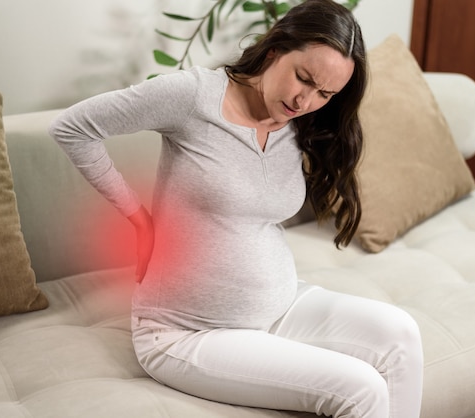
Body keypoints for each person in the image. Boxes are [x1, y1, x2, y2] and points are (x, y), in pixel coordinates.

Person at [49, 0, 424, 416]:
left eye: (325, 94)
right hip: (186, 332)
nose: (306, 101)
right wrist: (138, 218)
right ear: (273, 51)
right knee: (362, 388)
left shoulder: (297, 123)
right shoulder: (192, 95)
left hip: (281, 306)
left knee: (402, 334)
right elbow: (73, 127)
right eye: (304, 79)